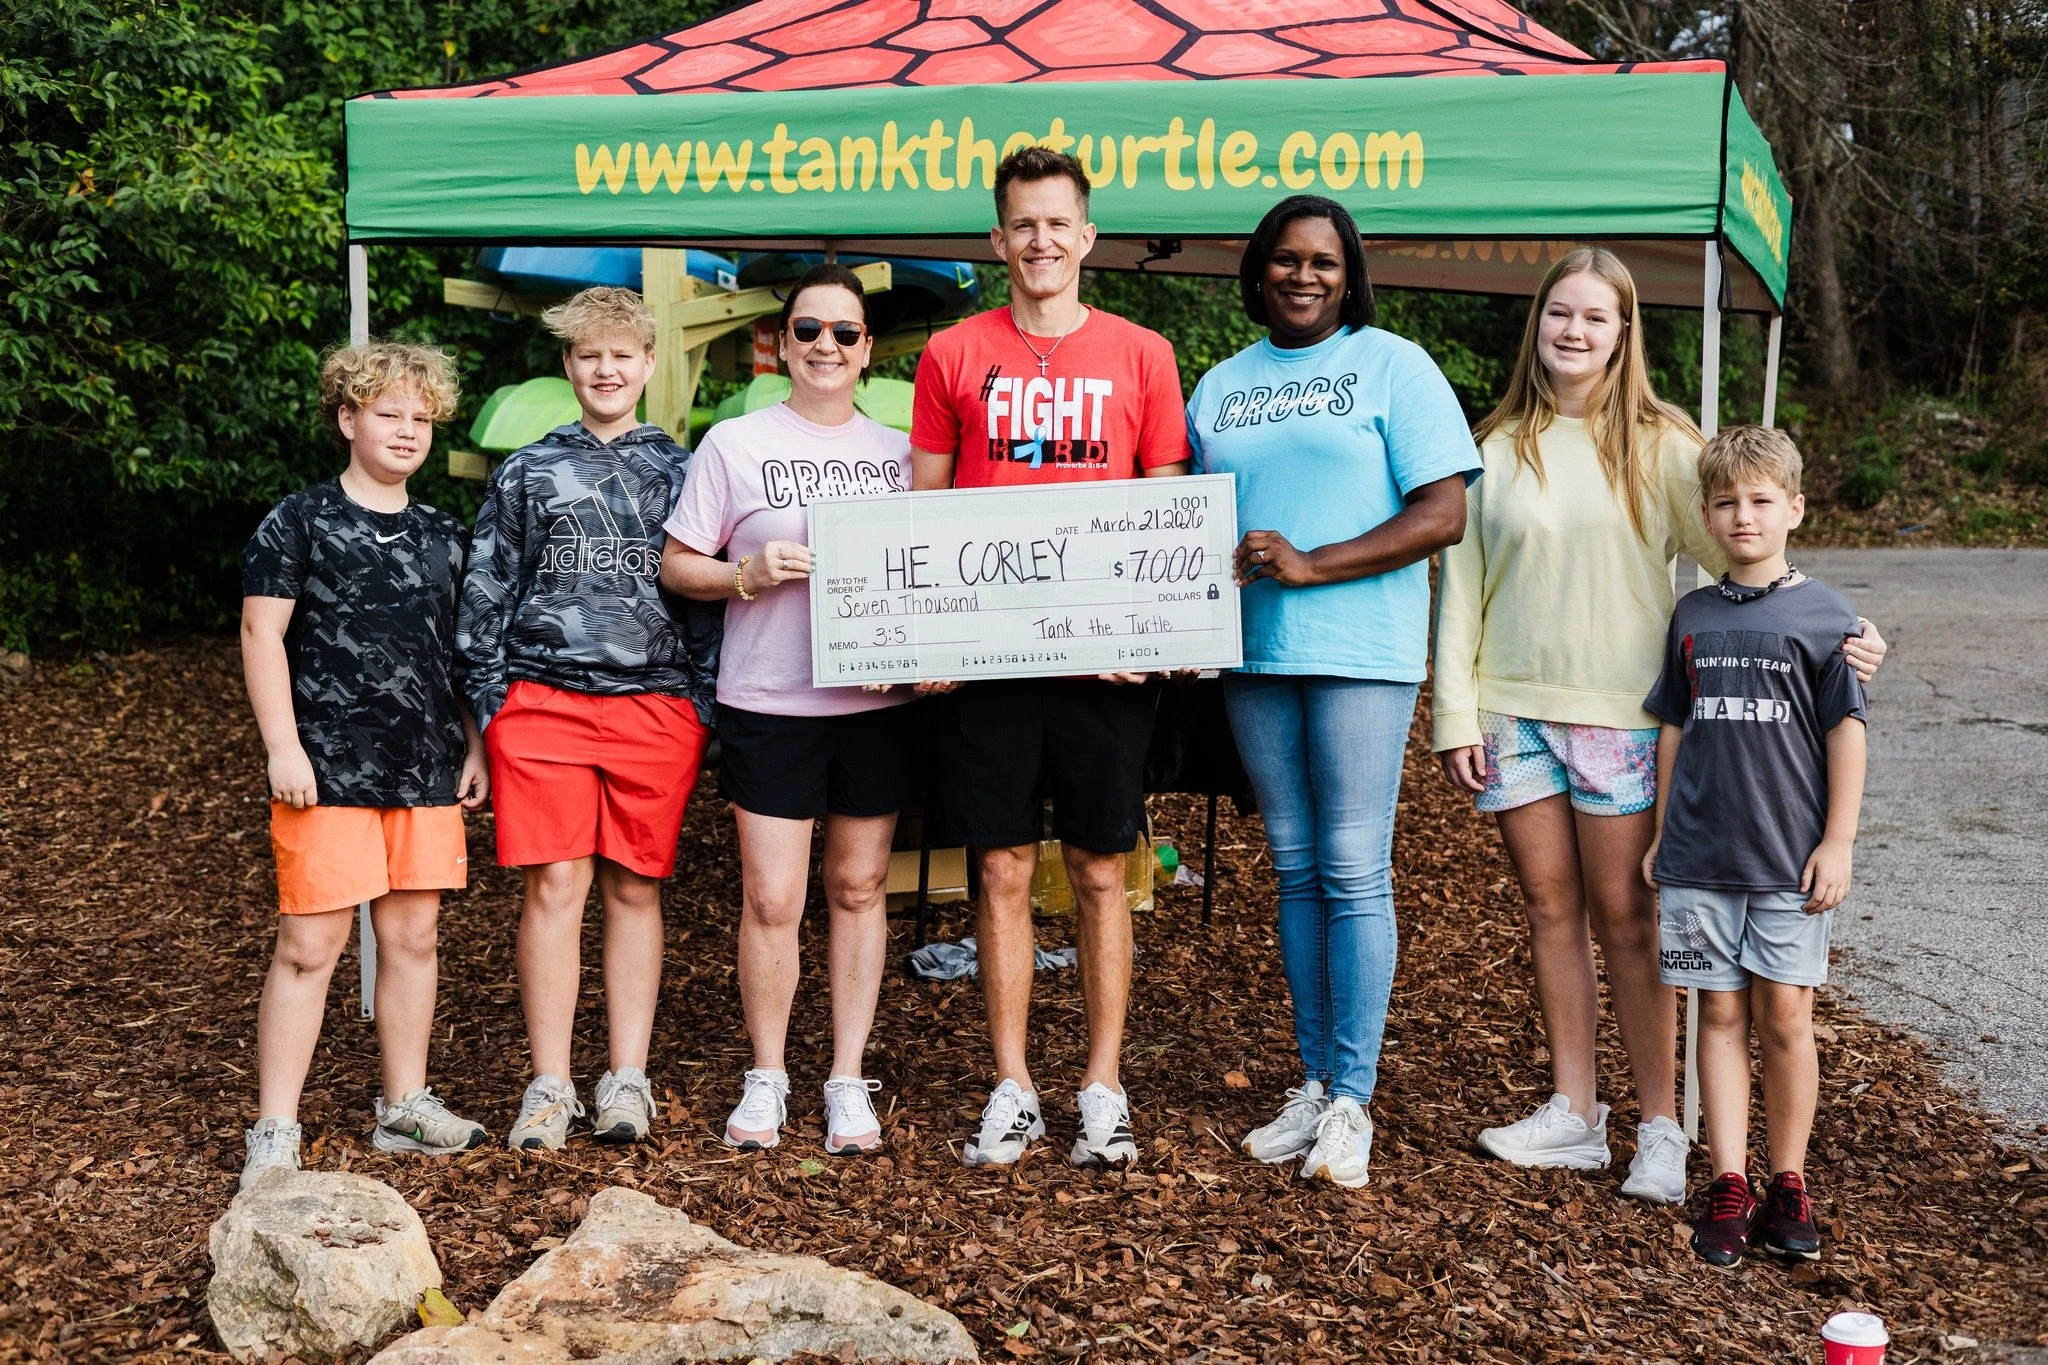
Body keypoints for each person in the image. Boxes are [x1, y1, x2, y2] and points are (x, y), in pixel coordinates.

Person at [1431, 248, 1885, 1204]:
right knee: (1549, 910)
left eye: (1596, 317)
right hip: (1512, 710)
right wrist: (1455, 712)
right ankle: (1574, 1111)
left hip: (1624, 716)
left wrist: (1837, 635)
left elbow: (1746, 554)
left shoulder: (1665, 445)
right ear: (1538, 323)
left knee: (1630, 919)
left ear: (1623, 332)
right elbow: (1462, 585)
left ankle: (1660, 1129)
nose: (1574, 331)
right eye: (1560, 312)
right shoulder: (1495, 445)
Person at [1186, 196, 1479, 1187]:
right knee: (1296, 867)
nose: (1302, 275)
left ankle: (1353, 1098)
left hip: (1359, 648)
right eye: (1285, 258)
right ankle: (1313, 1084)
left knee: (1354, 868)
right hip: (1254, 654)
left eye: (1322, 261)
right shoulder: (1220, 386)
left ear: (1349, 275)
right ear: (1257, 271)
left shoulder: (1394, 365)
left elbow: (1442, 513)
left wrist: (1313, 563)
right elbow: (1184, 515)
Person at [910, 147, 1191, 1168]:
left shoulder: (1142, 354)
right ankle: (1013, 1086)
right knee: (999, 868)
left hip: (1099, 665)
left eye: (1056, 223)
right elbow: (924, 509)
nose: (1040, 240)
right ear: (998, 239)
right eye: (1022, 223)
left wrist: (1149, 636)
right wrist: (930, 634)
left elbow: (1166, 510)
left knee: (1101, 870)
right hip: (989, 661)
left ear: (1087, 237)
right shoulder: (951, 352)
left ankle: (1103, 1087)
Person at [456, 287, 721, 1152]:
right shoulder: (528, 470)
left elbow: (710, 601)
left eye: (621, 355)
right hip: (543, 702)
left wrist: (701, 706)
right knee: (555, 886)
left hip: (655, 702)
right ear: (568, 365)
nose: (606, 369)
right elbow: (486, 589)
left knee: (635, 887)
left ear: (648, 364)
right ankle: (550, 1083)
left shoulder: (684, 471)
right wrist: (492, 706)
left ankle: (626, 1078)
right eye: (589, 355)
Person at [660, 264, 915, 1156]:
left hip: (874, 700)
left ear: (867, 349)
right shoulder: (733, 443)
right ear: (783, 342)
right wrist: (745, 573)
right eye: (809, 330)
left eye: (845, 332)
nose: (825, 346)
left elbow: (932, 577)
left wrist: (926, 658)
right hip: (769, 696)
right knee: (772, 895)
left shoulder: (902, 455)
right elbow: (677, 563)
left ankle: (846, 1075)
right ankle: (767, 1071)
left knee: (858, 886)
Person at [239, 341, 490, 1188]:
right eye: (389, 413)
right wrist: (283, 745)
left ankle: (405, 1105)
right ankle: (275, 1127)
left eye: (422, 417)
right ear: (348, 418)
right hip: (325, 769)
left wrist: (475, 743)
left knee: (413, 938)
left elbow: (457, 655)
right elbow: (261, 634)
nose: (408, 430)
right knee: (309, 946)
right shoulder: (299, 520)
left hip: (424, 766)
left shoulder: (446, 536)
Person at [1641, 425, 1866, 1267]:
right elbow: (1674, 726)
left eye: (1762, 500)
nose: (1744, 515)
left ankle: (1789, 1180)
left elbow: (1846, 734)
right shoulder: (1692, 614)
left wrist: (1838, 841)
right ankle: (1729, 1181)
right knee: (1720, 1012)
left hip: (1787, 861)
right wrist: (1662, 831)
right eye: (1727, 501)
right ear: (1705, 515)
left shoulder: (1828, 617)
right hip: (1700, 858)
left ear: (1795, 508)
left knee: (1786, 1015)